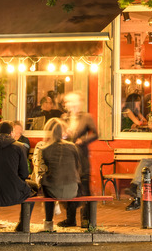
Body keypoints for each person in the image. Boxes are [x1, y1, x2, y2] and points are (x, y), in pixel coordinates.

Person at [60, 91, 98, 228]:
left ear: (78, 104)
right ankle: (70, 218)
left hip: (82, 156)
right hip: (68, 158)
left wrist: (83, 139)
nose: (70, 105)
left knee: (84, 186)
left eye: (72, 103)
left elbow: (95, 133)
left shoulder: (86, 117)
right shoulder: (63, 118)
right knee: (69, 186)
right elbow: (58, 135)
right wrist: (64, 135)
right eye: (68, 103)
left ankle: (86, 219)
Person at [39, 118, 81, 232]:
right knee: (74, 179)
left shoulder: (45, 149)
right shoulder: (72, 146)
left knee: (45, 182)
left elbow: (47, 168)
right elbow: (77, 166)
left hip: (54, 190)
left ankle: (48, 221)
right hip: (72, 190)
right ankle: (71, 218)